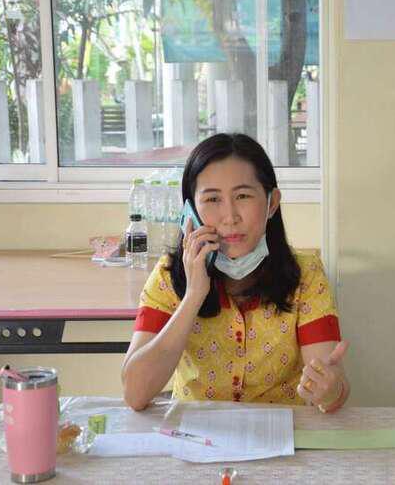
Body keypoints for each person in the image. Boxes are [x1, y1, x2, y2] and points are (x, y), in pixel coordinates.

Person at [122, 133, 349, 413]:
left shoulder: (307, 275)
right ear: (190, 212)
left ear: (272, 203)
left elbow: (332, 390)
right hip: (196, 434)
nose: (230, 217)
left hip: (282, 433)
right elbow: (135, 394)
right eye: (212, 199)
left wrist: (330, 390)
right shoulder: (168, 276)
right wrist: (193, 295)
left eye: (243, 196)